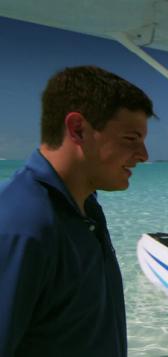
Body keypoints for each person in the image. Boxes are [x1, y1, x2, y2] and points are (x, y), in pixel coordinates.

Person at [0, 66, 154, 357]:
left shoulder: (85, 205)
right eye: (131, 139)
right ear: (78, 130)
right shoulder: (18, 225)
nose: (144, 155)